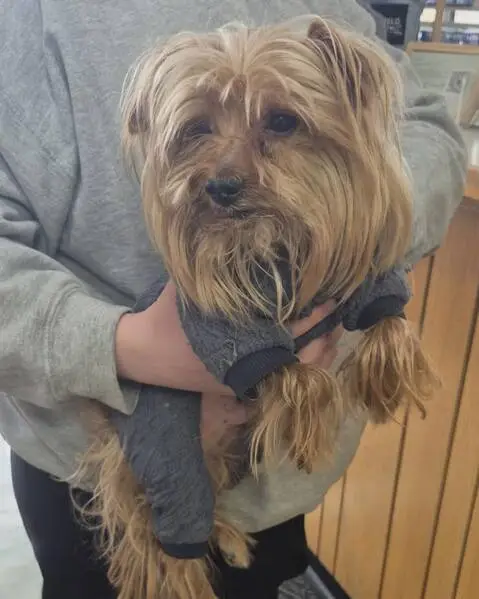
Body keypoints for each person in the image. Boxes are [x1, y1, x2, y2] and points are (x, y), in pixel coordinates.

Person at [0, 1, 466, 598]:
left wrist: (360, 226)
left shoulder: (334, 15)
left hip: (283, 475)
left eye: (280, 123)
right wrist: (124, 346)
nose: (226, 171)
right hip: (93, 463)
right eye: (197, 130)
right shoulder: (34, 18)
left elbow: (427, 126)